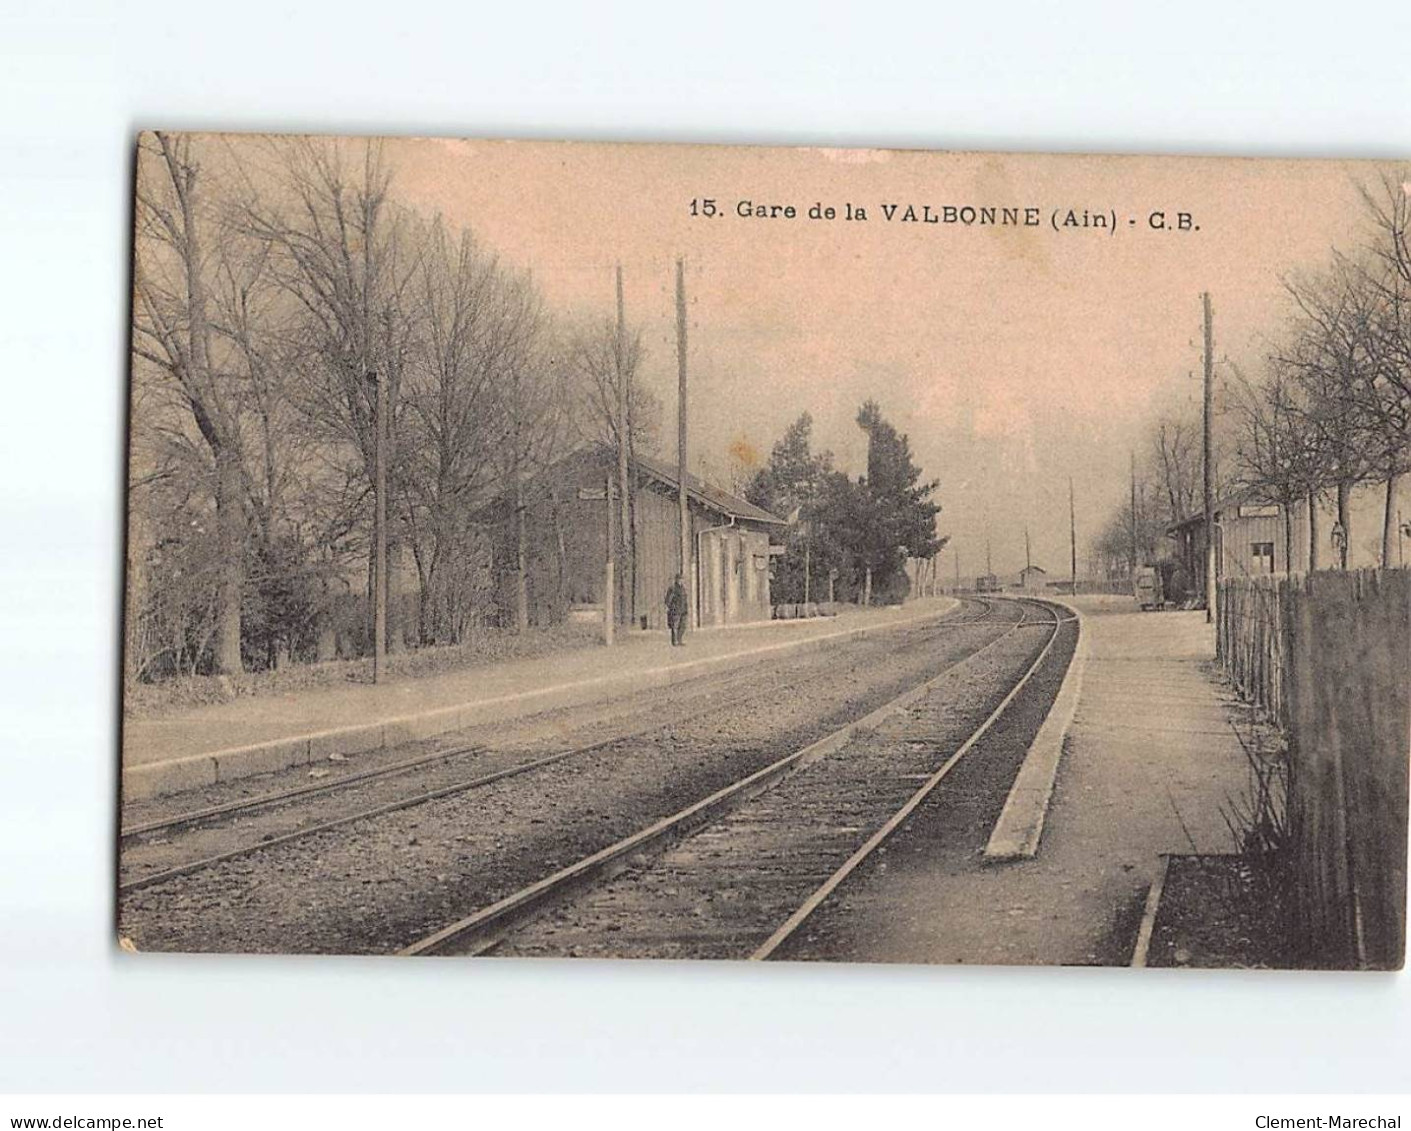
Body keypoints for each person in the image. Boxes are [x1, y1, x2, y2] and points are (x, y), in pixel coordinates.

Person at [665, 574, 688, 646]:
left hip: (683, 610)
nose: (680, 581)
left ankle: (679, 639)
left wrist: (686, 608)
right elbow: (668, 599)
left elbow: (685, 599)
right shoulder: (673, 588)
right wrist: (671, 607)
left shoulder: (683, 588)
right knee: (675, 626)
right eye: (679, 579)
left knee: (683, 625)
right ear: (676, 580)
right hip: (675, 610)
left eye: (681, 579)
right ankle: (674, 641)